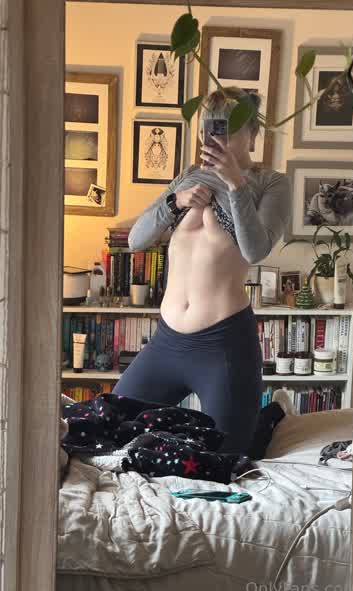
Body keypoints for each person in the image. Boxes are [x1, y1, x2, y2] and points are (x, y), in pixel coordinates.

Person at [112, 86, 292, 455]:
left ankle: (270, 416)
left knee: (229, 455)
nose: (215, 137)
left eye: (227, 128)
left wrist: (234, 183)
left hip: (223, 346)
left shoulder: (270, 183)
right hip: (166, 343)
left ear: (251, 135)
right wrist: (175, 200)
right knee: (114, 425)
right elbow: (136, 239)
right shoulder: (189, 176)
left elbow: (255, 250)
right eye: (209, 127)